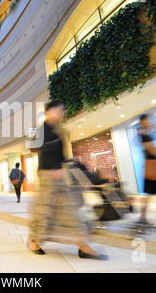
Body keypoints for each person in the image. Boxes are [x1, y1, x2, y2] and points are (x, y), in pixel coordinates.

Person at [28, 101, 108, 260]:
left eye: (61, 111)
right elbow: (38, 149)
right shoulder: (42, 130)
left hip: (58, 176)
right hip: (48, 176)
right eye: (57, 111)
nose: (60, 114)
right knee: (46, 211)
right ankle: (33, 239)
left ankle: (83, 245)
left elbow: (61, 156)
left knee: (69, 210)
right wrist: (54, 168)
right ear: (48, 112)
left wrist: (70, 162)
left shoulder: (58, 132)